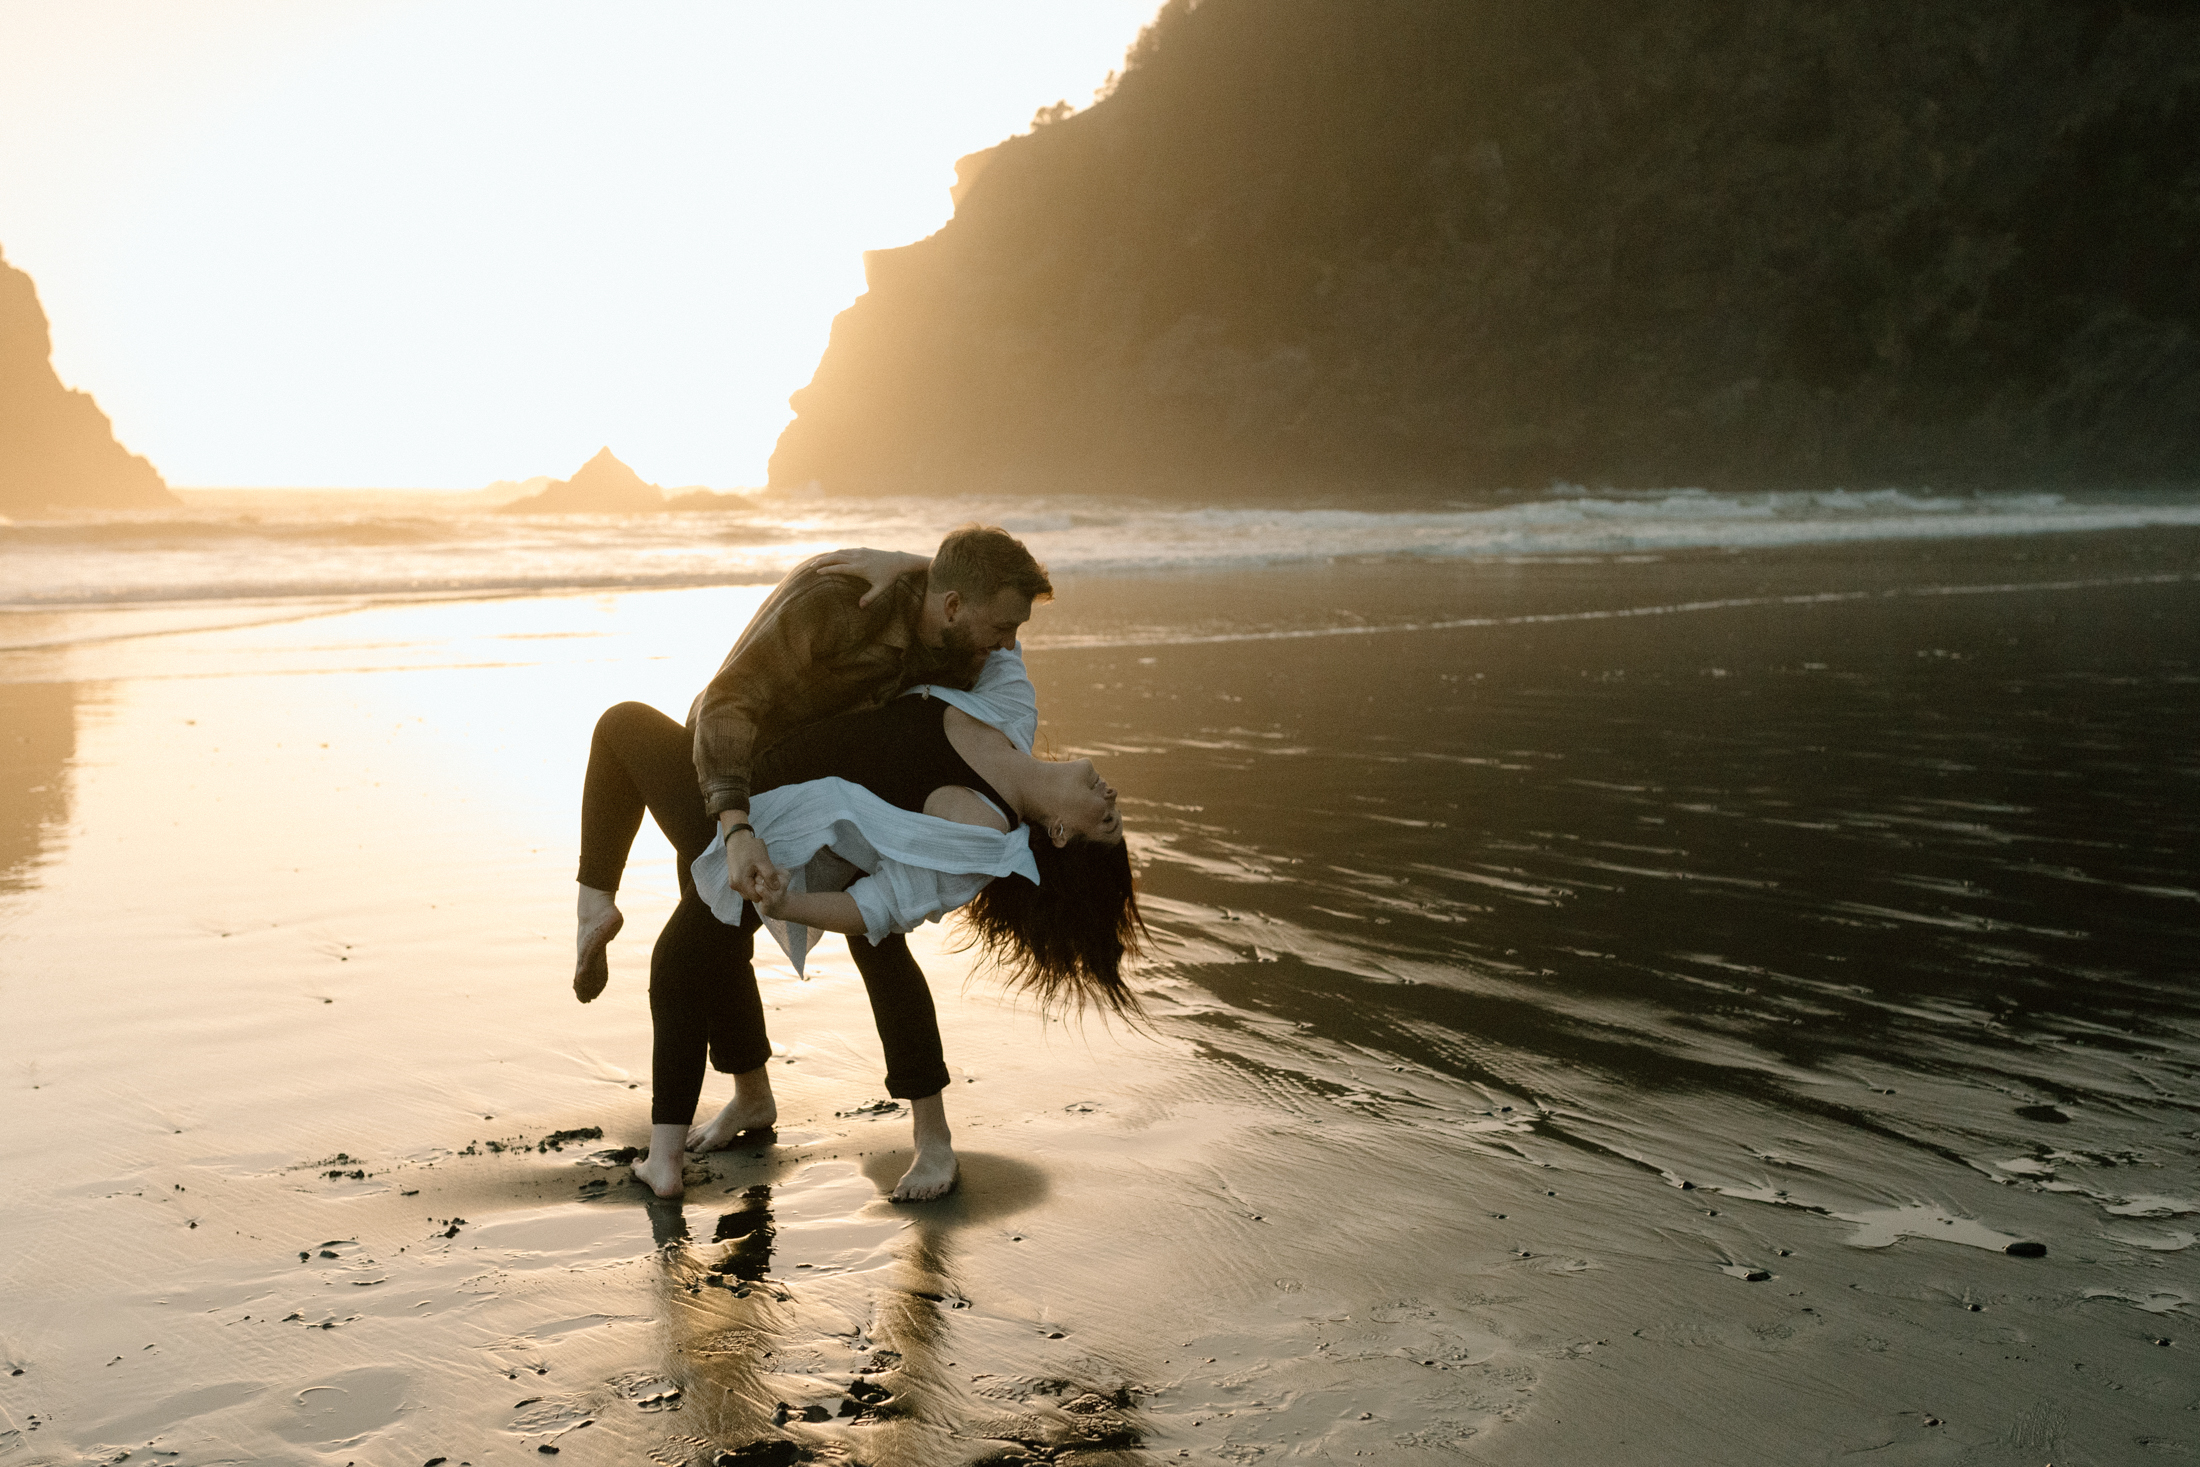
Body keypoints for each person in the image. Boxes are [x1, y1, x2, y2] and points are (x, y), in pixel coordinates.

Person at [573, 527, 1125, 1199]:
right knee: (713, 936)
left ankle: (915, 1140)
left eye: (1107, 818)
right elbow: (975, 593)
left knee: (717, 935)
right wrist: (913, 566)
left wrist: (780, 892)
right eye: (1000, 625)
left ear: (1062, 832)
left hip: (789, 833)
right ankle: (747, 1100)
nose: (1006, 640)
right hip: (756, 774)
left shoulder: (979, 837)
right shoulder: (1003, 696)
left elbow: (879, 906)